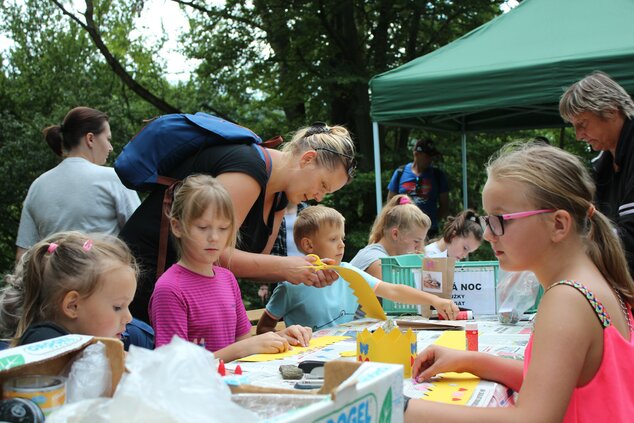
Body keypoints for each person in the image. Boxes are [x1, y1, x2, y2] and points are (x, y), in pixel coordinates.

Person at [405, 142, 634, 422]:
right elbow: (551, 380)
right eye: (488, 219)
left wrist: (399, 407)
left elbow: (532, 418)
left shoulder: (567, 299)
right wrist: (468, 360)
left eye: (500, 219)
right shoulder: (595, 281)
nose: (489, 234)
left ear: (559, 225)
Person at [120, 122, 355, 322]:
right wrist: (287, 267)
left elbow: (253, 263)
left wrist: (306, 271)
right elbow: (213, 252)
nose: (319, 197)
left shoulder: (281, 197)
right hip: (141, 284)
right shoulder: (248, 168)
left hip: (183, 297)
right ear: (307, 159)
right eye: (323, 185)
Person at [149, 175, 313, 362]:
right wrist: (244, 348)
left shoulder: (227, 278)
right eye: (203, 227)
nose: (214, 237)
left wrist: (280, 337)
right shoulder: (169, 289)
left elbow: (242, 343)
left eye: (224, 228)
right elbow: (172, 367)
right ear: (177, 227)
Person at [257, 205, 459, 332]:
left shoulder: (348, 272)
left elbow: (393, 290)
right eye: (333, 239)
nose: (342, 245)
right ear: (309, 245)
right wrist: (284, 338)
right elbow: (265, 327)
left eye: (342, 238)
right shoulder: (291, 286)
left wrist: (435, 300)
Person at [15, 107, 141, 263]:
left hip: (53, 284)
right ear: (90, 139)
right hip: (104, 283)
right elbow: (142, 236)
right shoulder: (114, 179)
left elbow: (23, 255)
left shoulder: (37, 186)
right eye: (108, 139)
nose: (110, 147)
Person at [0, 231, 137, 346]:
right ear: (73, 305)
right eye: (118, 307)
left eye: (128, 306)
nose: (129, 318)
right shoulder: (47, 349)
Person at [560, 71, 634, 277]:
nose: (578, 136)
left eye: (582, 124)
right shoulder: (602, 167)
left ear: (611, 111)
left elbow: (630, 238)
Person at [350, 194, 431, 279]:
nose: (419, 247)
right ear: (395, 234)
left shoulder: (382, 258)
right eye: (416, 241)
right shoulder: (379, 263)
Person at [387, 139, 449, 237]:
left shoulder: (437, 175)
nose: (430, 159)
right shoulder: (400, 172)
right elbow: (391, 201)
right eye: (428, 156)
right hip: (404, 230)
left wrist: (431, 221)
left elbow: (444, 205)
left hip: (429, 231)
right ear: (416, 154)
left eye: (432, 156)